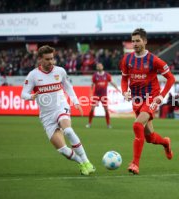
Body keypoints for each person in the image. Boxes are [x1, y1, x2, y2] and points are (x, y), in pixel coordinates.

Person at [21, 45, 95, 175]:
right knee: (62, 150)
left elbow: (68, 87)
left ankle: (86, 161)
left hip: (61, 106)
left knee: (68, 130)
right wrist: (31, 97)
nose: (51, 62)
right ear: (40, 59)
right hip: (46, 115)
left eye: (52, 58)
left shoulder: (60, 71)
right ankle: (81, 163)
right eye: (47, 59)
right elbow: (23, 94)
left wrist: (76, 102)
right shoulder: (33, 75)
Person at [120, 28, 175, 174]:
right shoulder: (127, 59)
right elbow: (124, 78)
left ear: (145, 41)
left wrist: (161, 96)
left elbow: (171, 78)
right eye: (133, 41)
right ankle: (165, 143)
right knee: (149, 137)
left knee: (137, 125)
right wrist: (125, 91)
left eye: (138, 41)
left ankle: (135, 164)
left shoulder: (154, 60)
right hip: (136, 99)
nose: (135, 44)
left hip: (151, 97)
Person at [86, 62, 120, 128]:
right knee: (92, 109)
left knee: (106, 109)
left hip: (103, 95)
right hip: (96, 94)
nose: (99, 67)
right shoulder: (95, 75)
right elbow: (92, 85)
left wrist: (117, 88)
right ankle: (89, 123)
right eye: (98, 66)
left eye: (100, 66)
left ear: (102, 67)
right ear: (96, 68)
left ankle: (108, 124)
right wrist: (90, 93)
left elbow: (112, 82)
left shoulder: (107, 75)